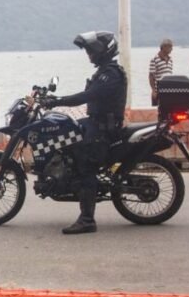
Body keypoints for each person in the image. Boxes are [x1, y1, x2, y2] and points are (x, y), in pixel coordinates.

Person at [39, 31, 127, 235]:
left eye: (92, 50)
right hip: (96, 123)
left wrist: (57, 101)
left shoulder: (110, 74)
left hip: (104, 129)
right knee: (66, 135)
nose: (89, 54)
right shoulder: (105, 71)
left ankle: (87, 219)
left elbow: (87, 96)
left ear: (104, 51)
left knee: (85, 166)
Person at [148, 38, 173, 106]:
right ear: (164, 47)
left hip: (168, 89)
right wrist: (153, 90)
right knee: (157, 110)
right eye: (170, 47)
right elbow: (151, 76)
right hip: (158, 89)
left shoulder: (170, 59)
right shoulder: (155, 59)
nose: (171, 49)